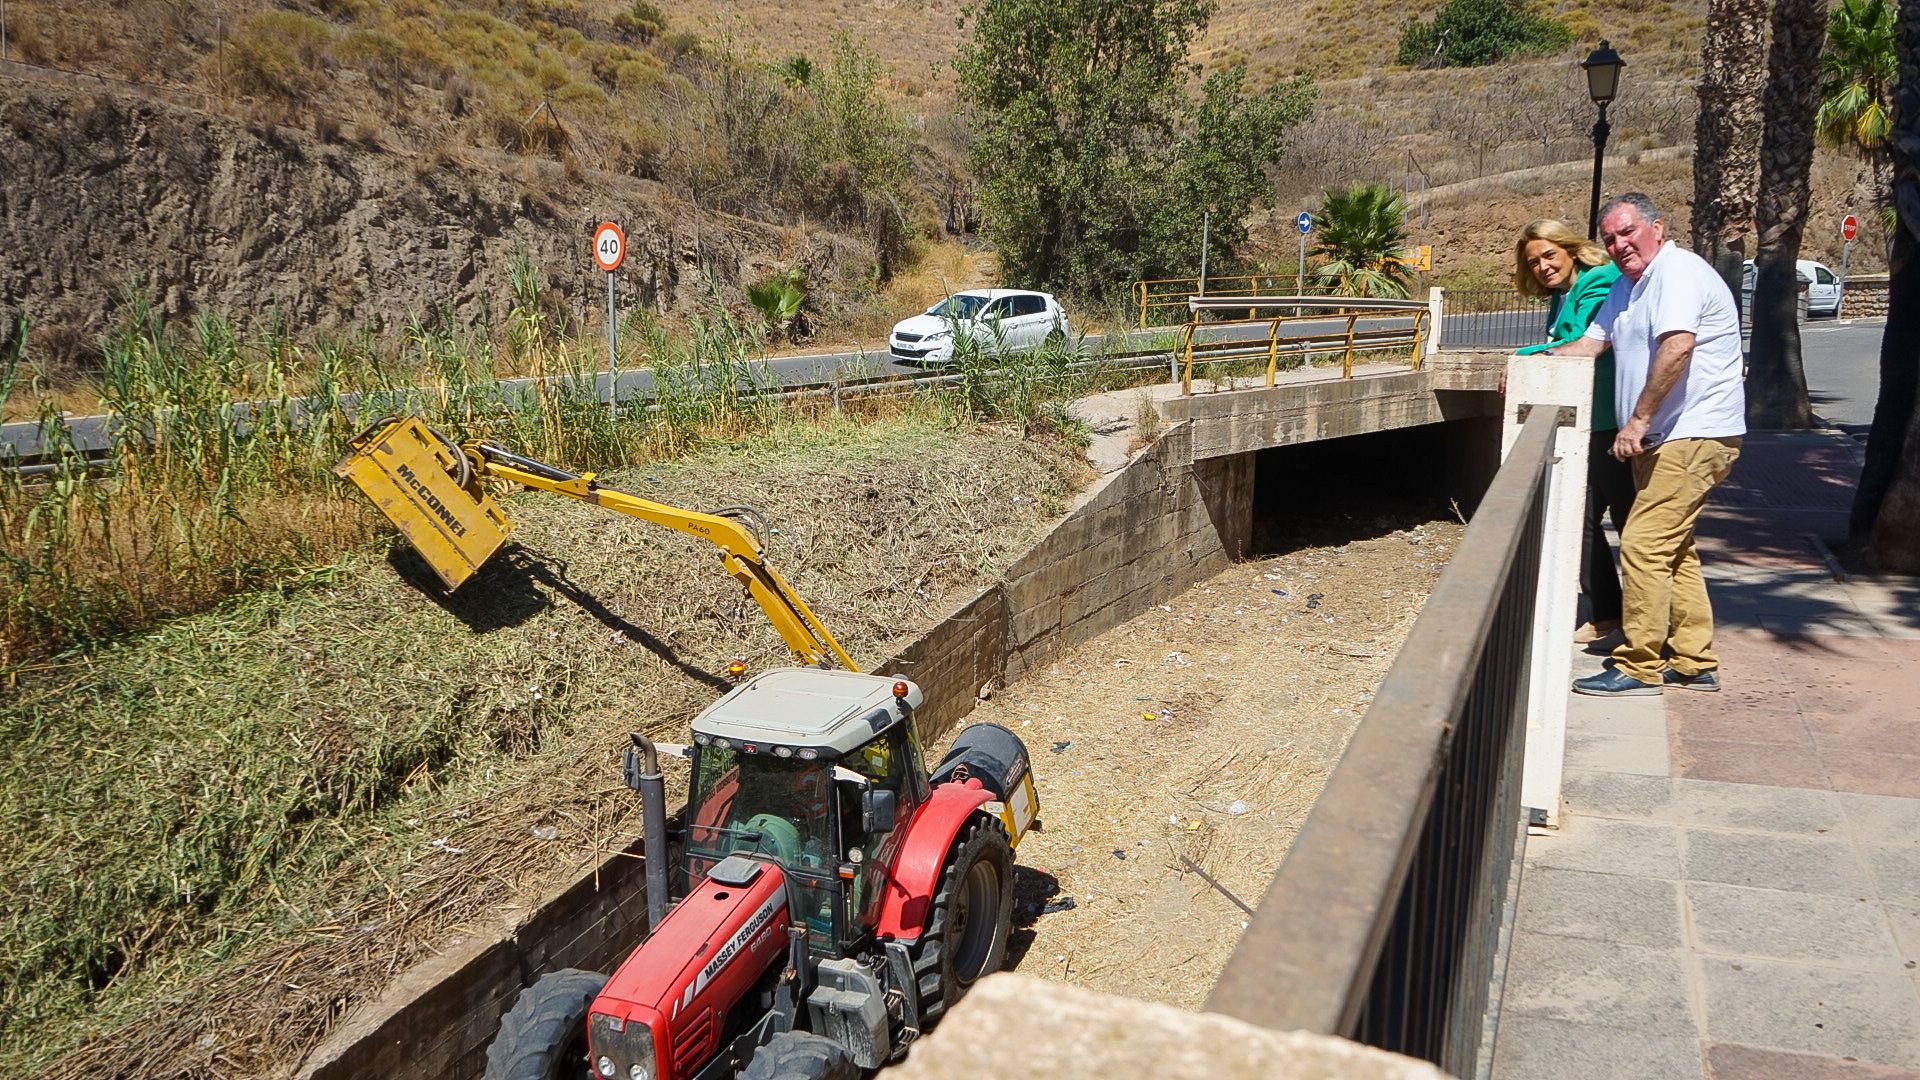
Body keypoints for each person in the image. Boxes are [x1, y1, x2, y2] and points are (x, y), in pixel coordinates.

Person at [1536, 193, 1746, 697]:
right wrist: (1531, 363)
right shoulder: (1629, 288)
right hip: (1664, 439)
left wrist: (1638, 420)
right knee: (1674, 550)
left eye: (1627, 232)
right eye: (1609, 238)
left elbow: (1678, 346)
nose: (1619, 244)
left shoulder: (1676, 273)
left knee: (1644, 544)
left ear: (1657, 227)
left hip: (1692, 433)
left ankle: (1639, 664)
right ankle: (1695, 660)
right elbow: (1589, 344)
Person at [1510, 219, 1633, 646]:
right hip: (1588, 422)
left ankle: (1628, 620)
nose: (1543, 266)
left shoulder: (1598, 282)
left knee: (1624, 521)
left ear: (1571, 250)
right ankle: (1607, 613)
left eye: (1549, 255)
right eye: (1534, 261)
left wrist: (1520, 357)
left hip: (1608, 421)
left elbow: (1583, 342)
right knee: (1580, 520)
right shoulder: (1563, 294)